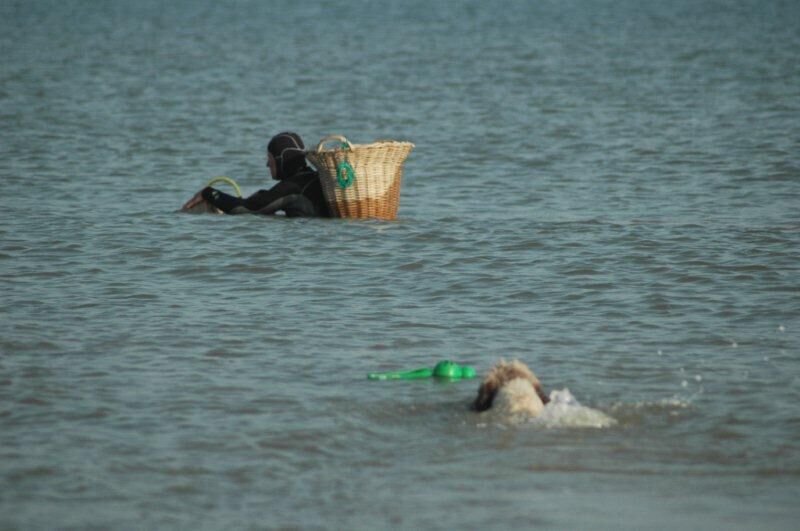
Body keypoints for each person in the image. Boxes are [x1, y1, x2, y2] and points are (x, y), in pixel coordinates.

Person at [181, 132, 330, 217]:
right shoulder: (312, 178)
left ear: (281, 159)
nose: (267, 164)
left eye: (270, 158)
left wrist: (208, 193)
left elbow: (245, 209)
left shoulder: (292, 187)